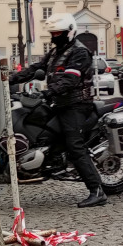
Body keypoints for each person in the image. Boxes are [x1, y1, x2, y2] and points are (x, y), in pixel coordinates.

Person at [9, 13, 107, 208]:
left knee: (74, 145)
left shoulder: (80, 52)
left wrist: (47, 92)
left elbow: (70, 79)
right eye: (52, 33)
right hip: (59, 103)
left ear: (70, 32)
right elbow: (36, 68)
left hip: (76, 104)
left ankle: (97, 191)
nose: (54, 36)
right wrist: (9, 79)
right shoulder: (55, 52)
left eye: (58, 33)